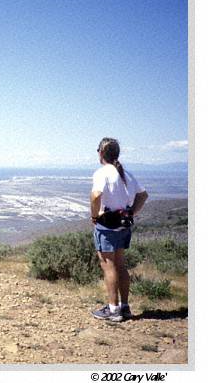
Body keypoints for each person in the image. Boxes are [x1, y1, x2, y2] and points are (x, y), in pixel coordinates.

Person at [90, 137, 148, 322]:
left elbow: (95, 195)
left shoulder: (102, 173)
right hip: (123, 226)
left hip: (106, 227)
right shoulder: (126, 174)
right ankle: (125, 307)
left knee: (109, 267)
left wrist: (94, 216)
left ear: (101, 153)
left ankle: (113, 310)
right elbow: (143, 195)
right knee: (120, 265)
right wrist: (131, 213)